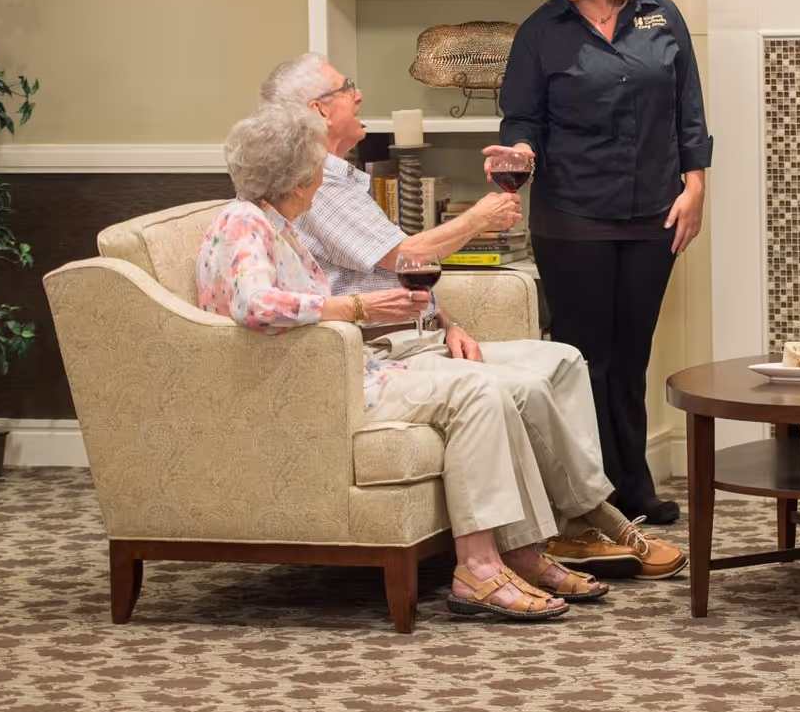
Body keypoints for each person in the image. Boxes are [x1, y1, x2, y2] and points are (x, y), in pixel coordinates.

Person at [258, 54, 683, 580]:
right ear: (318, 111)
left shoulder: (343, 180)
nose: (360, 95)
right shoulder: (315, 188)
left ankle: (574, 529)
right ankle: (596, 519)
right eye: (348, 87)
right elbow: (405, 257)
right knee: (520, 385)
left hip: (420, 337)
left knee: (564, 360)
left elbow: (400, 275)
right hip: (384, 349)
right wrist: (476, 219)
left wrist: (449, 321)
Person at [490, 0, 711, 526]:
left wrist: (695, 186)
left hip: (654, 213)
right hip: (573, 217)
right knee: (584, 356)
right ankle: (590, 497)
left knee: (632, 352)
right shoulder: (540, 33)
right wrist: (520, 151)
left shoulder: (659, 14)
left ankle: (633, 486)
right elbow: (522, 119)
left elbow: (687, 107)